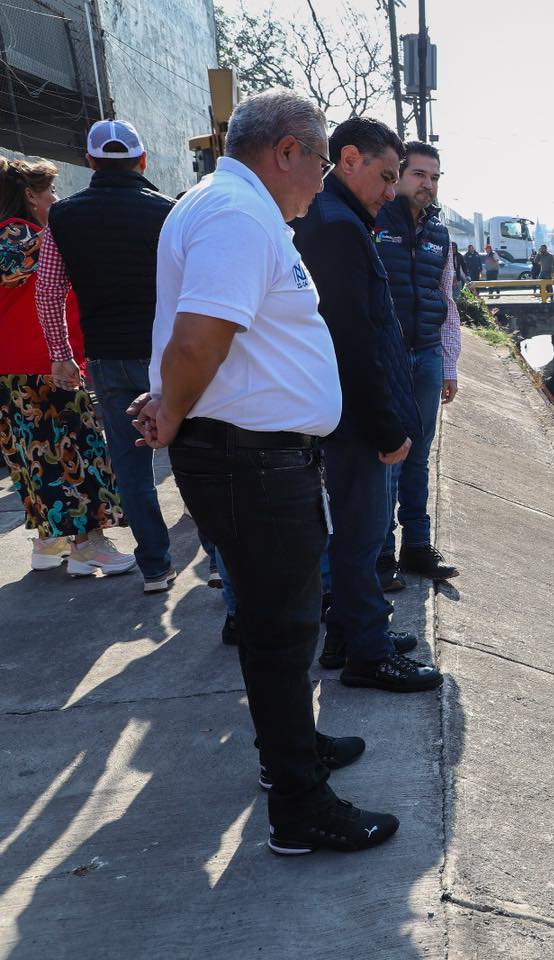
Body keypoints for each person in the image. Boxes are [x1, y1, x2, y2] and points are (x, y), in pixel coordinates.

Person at [136, 88, 393, 853]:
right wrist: (172, 411)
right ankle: (300, 807)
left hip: (254, 455)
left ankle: (292, 751)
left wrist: (174, 405)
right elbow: (199, 339)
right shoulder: (237, 216)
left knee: (279, 624)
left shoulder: (228, 205)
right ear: (286, 151)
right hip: (248, 459)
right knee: (283, 632)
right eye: (317, 161)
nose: (320, 182)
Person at [292, 117, 441, 694]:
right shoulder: (336, 227)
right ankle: (368, 654)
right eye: (385, 177)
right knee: (360, 535)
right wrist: (386, 427)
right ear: (347, 160)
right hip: (357, 418)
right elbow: (353, 340)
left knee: (359, 534)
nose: (389, 190)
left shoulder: (343, 220)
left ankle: (360, 629)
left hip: (356, 410)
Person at [36, 119, 177, 592]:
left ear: (91, 162)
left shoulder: (64, 217)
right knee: (196, 454)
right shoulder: (168, 211)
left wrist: (61, 355)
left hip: (107, 357)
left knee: (132, 464)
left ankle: (155, 567)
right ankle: (220, 563)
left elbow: (49, 292)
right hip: (168, 354)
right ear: (142, 161)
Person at [0, 156, 133, 577]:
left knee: (34, 458)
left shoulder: (18, 237)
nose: (55, 200)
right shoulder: (21, 236)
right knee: (74, 453)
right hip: (44, 365)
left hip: (17, 367)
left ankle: (49, 542)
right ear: (30, 196)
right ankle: (87, 545)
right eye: (50, 192)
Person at [374, 141, 462, 589]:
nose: (427, 184)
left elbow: (446, 300)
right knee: (388, 454)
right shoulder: (372, 223)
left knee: (419, 455)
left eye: (434, 177)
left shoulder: (439, 235)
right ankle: (383, 554)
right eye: (419, 175)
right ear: (398, 175)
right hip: (384, 360)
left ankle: (417, 547)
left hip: (426, 356)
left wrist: (449, 366)